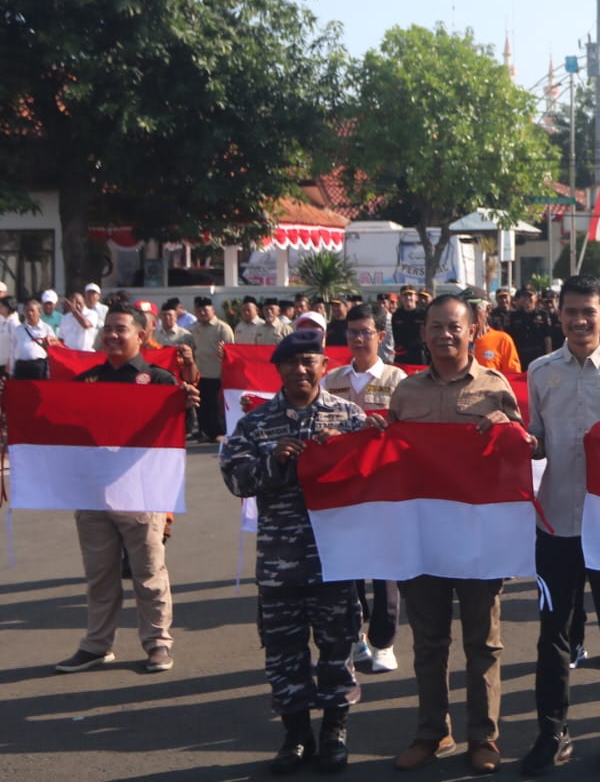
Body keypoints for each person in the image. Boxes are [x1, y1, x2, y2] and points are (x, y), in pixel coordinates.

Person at [518, 275, 600, 778]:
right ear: (559, 315)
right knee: (552, 634)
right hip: (555, 523)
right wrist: (518, 442)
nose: (579, 320)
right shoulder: (540, 371)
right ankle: (552, 734)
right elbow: (538, 440)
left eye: (588, 311)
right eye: (570, 311)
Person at [386, 295, 524, 774]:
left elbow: (522, 454)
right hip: (424, 537)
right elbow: (390, 460)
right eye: (435, 327)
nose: (445, 335)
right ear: (422, 333)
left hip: (478, 538)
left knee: (483, 644)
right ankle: (432, 732)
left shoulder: (496, 387)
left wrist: (509, 426)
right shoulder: (405, 393)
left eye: (455, 327)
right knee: (428, 643)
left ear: (473, 331)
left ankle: (483, 737)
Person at [220, 329, 367, 774]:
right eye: (291, 363)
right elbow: (235, 479)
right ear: (279, 368)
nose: (301, 370)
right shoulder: (257, 423)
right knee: (284, 654)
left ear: (325, 367)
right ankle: (296, 735)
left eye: (310, 362)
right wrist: (275, 463)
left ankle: (334, 732)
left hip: (336, 562)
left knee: (336, 649)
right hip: (280, 563)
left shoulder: (349, 418)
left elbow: (372, 479)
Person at [55, 305, 198, 676]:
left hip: (141, 493)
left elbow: (183, 432)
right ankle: (97, 645)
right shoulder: (87, 381)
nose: (112, 335)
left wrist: (187, 404)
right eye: (108, 329)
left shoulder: (161, 381)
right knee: (99, 575)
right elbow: (56, 423)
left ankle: (158, 645)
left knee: (148, 573)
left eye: (121, 329)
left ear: (141, 334)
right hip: (93, 494)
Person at [320, 304, 409, 676]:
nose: (358, 339)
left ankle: (384, 641)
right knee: (348, 566)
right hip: (345, 488)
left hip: (384, 486)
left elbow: (407, 432)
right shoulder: (333, 379)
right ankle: (355, 635)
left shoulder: (397, 379)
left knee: (385, 568)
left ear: (381, 337)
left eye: (366, 332)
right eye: (352, 332)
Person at [190, 295, 235, 441]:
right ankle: (206, 432)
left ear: (213, 310)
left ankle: (219, 432)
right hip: (200, 373)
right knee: (202, 406)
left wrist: (226, 374)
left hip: (217, 373)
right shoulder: (195, 328)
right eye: (199, 310)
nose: (202, 312)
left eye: (205, 309)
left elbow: (230, 352)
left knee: (216, 407)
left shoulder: (223, 328)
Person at [468, 297, 522, 374]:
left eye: (474, 310)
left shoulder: (502, 340)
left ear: (487, 310)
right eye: (465, 311)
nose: (469, 316)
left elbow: (513, 376)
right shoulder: (456, 341)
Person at [8, 297, 55, 378]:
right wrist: (11, 370)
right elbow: (13, 350)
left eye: (32, 310)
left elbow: (52, 353)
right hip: (21, 367)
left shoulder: (46, 329)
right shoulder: (19, 329)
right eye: (26, 311)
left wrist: (49, 372)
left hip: (38, 368)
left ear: (39, 312)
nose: (29, 313)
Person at [388, 286, 427, 366]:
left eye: (410, 295)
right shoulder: (397, 315)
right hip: (402, 354)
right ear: (401, 298)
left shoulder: (423, 314)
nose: (408, 298)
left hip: (419, 354)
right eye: (405, 295)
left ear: (416, 297)